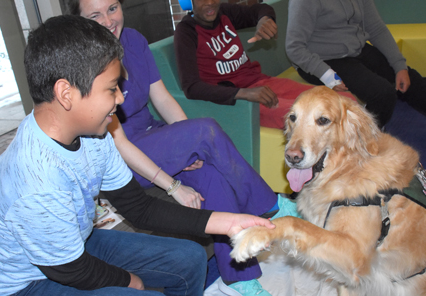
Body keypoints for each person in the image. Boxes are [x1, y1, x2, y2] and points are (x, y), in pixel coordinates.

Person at [0, 15, 276, 296]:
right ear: (66, 93)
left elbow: (139, 208)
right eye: (112, 89)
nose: (121, 99)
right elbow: (69, 269)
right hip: (27, 282)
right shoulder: (36, 180)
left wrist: (226, 223)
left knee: (190, 259)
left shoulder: (96, 131)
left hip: (74, 245)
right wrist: (130, 281)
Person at [64, 1, 283, 295]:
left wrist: (188, 144)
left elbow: (163, 99)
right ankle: (268, 207)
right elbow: (118, 142)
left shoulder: (133, 40)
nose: (108, 20)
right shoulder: (84, 64)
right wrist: (173, 186)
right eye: (95, 15)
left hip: (155, 136)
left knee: (212, 176)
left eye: (113, 8)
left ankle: (239, 276)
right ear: (79, 21)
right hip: (123, 155)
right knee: (205, 128)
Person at [174, 0, 356, 130]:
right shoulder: (186, 32)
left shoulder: (225, 13)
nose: (210, 3)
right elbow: (191, 88)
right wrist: (244, 93)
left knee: (344, 101)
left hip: (261, 83)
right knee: (310, 117)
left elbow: (261, 9)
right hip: (238, 101)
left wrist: (264, 20)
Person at [285, 0, 426, 128]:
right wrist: (327, 76)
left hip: (356, 49)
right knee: (383, 95)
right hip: (322, 60)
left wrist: (399, 65)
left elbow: (377, 28)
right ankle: (362, 143)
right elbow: (294, 48)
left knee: (413, 81)